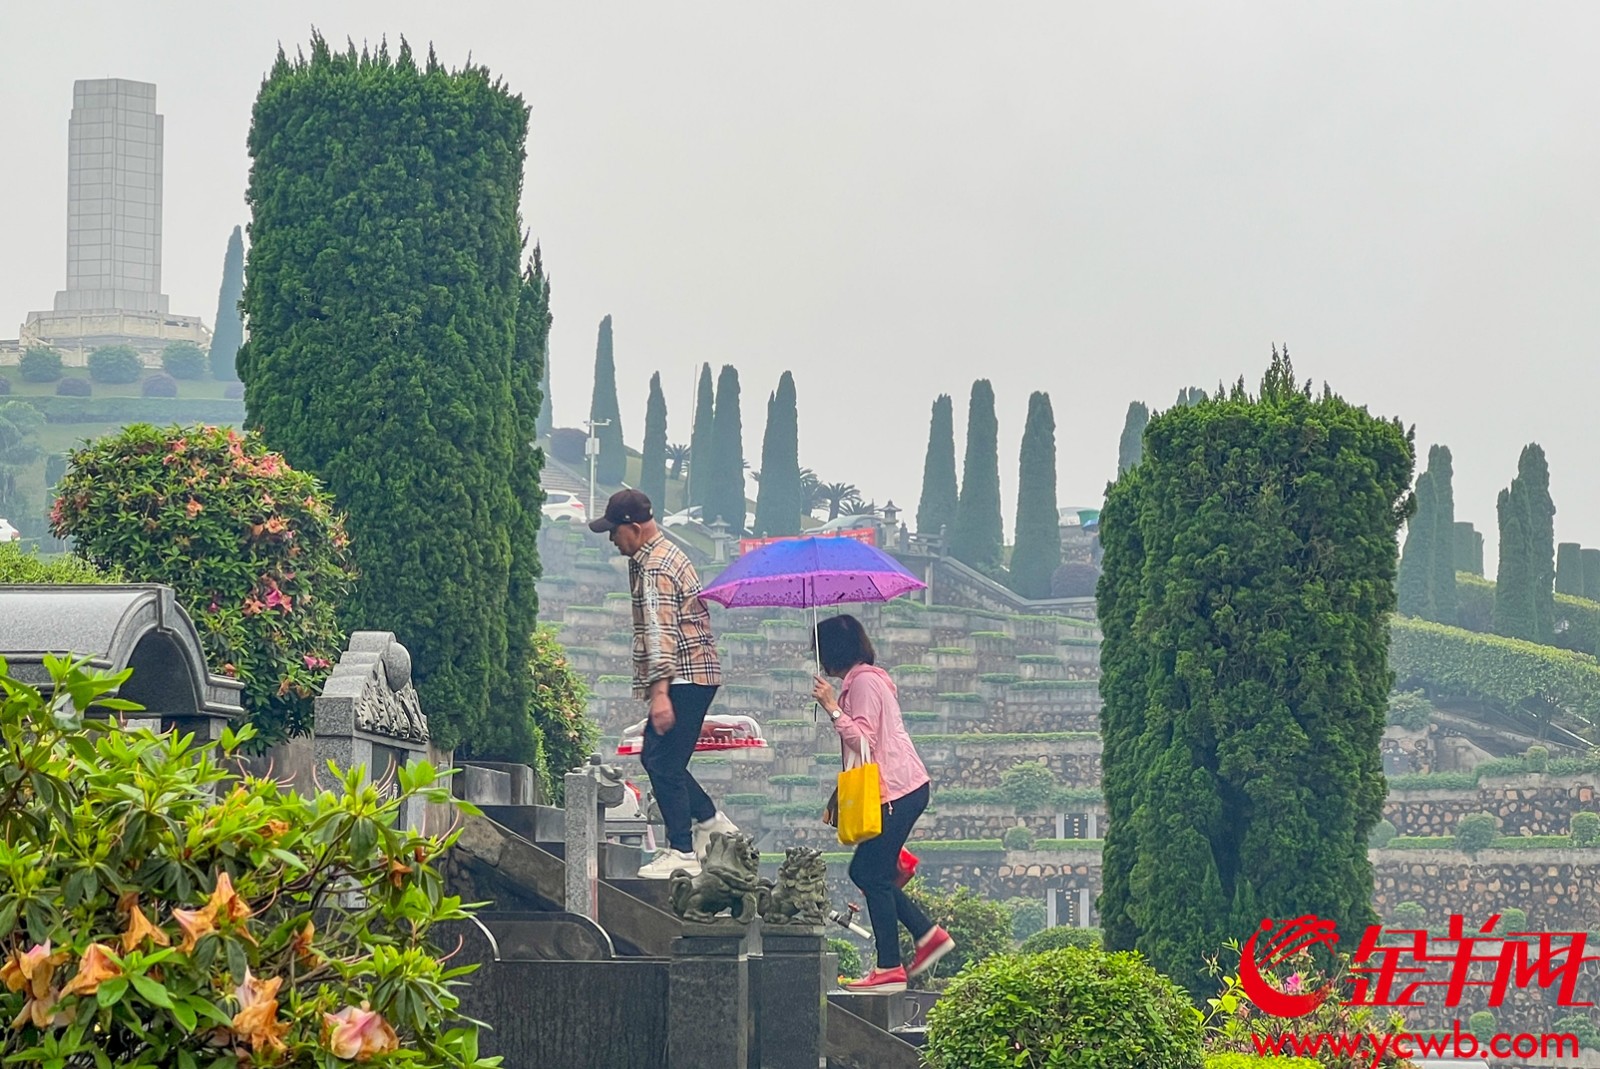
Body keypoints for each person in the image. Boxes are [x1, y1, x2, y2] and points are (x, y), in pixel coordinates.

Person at [591, 489, 737, 878]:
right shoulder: (661, 555)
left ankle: (683, 850)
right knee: (661, 760)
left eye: (614, 531)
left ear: (634, 529)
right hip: (693, 674)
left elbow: (660, 631)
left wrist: (660, 695)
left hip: (683, 675)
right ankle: (709, 822)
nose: (611, 539)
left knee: (663, 762)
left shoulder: (655, 565)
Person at [811, 614, 954, 993]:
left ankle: (891, 966)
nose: (819, 659)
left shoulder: (864, 684)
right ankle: (925, 937)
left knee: (869, 873)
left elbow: (862, 740)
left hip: (897, 791)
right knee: (867, 872)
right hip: (898, 790)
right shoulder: (864, 681)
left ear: (835, 651)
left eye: (821, 650)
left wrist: (831, 707)